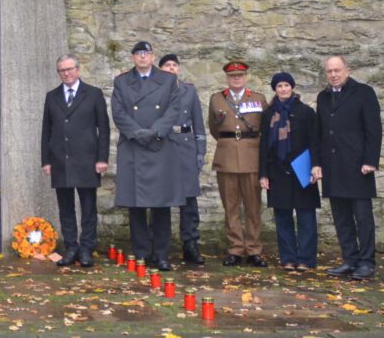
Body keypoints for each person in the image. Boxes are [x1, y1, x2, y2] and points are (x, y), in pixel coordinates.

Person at [111, 41, 183, 271]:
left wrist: (155, 132)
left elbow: (173, 110)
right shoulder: (121, 81)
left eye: (147, 53)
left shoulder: (169, 80)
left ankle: (162, 254)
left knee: (162, 205)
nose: (142, 57)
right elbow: (118, 112)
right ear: (133, 57)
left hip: (160, 145)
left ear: (153, 57)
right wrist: (136, 133)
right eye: (138, 54)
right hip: (134, 145)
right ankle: (141, 252)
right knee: (136, 204)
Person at [312, 56, 382, 280]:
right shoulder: (322, 97)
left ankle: (367, 262)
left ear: (347, 71)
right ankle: (350, 260)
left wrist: (370, 160)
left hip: (357, 166)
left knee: (363, 218)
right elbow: (318, 133)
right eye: (329, 71)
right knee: (341, 218)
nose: (333, 75)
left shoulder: (364, 93)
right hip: (332, 167)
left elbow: (374, 129)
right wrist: (316, 163)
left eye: (337, 70)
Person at [40, 54, 109, 267]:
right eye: (62, 70)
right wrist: (46, 160)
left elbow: (103, 129)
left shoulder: (94, 94)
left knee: (88, 207)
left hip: (88, 160)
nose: (66, 73)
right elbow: (46, 131)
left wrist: (102, 158)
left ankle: (87, 248)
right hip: (61, 159)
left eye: (70, 69)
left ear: (78, 70)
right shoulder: (52, 96)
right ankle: (71, 247)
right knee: (66, 207)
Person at [208, 61, 269, 267]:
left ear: (246, 77)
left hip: (252, 157)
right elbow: (214, 128)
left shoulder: (258, 98)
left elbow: (265, 127)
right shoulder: (216, 99)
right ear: (227, 77)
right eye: (233, 75)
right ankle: (235, 248)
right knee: (231, 207)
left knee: (253, 207)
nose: (236, 78)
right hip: (226, 158)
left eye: (240, 75)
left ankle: (254, 249)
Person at [259, 72, 321, 270]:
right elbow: (263, 145)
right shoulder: (269, 114)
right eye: (279, 86)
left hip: (301, 168)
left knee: (306, 217)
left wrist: (315, 166)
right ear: (275, 89)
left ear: (292, 87)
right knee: (282, 217)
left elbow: (315, 141)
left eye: (286, 85)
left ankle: (306, 259)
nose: (283, 89)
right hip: (277, 170)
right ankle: (288, 258)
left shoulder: (305, 112)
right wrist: (263, 173)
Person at [158, 53, 207, 266]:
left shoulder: (189, 90)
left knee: (189, 200)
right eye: (167, 65)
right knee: (162, 199)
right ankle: (161, 247)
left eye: (174, 65)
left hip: (186, 146)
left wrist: (200, 151)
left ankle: (190, 245)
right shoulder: (155, 91)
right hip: (164, 146)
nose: (171, 68)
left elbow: (198, 122)